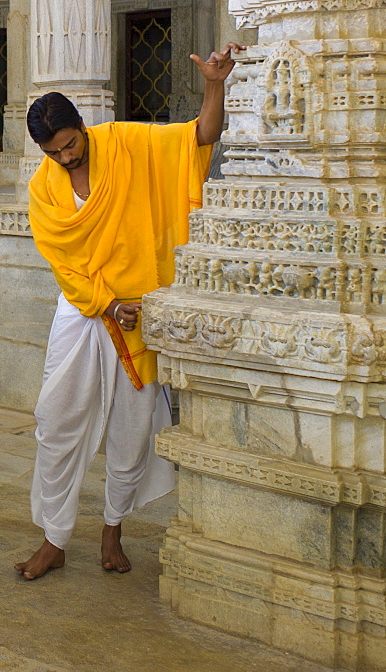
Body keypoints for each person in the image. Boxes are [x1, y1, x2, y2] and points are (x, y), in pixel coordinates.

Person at [16, 43, 244, 580]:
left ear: (84, 129)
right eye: (54, 153)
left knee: (133, 424)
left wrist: (215, 84)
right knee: (56, 420)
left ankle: (112, 528)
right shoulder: (44, 187)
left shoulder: (126, 142)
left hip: (138, 307)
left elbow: (198, 139)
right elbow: (60, 260)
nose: (67, 158)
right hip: (85, 309)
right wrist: (105, 303)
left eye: (71, 146)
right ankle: (54, 537)